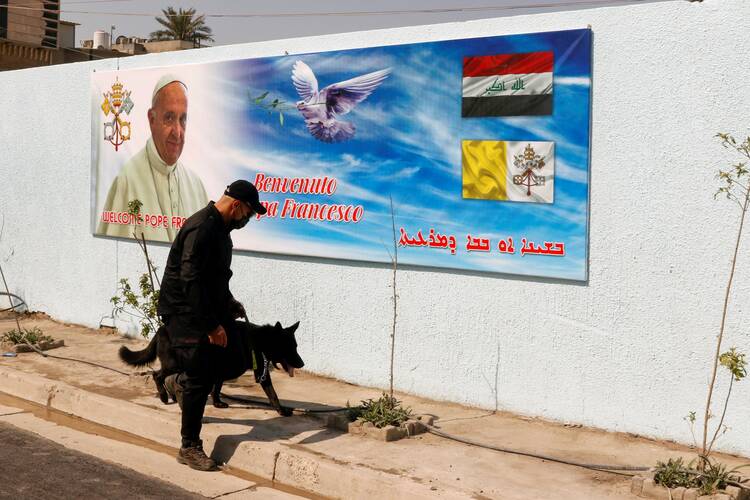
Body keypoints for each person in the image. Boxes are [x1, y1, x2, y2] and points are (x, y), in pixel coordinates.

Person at [158, 180, 267, 471]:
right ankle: (189, 446)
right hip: (184, 311)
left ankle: (175, 382)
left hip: (204, 307)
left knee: (233, 359)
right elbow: (190, 279)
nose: (247, 219)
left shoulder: (220, 230)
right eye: (248, 213)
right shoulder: (202, 228)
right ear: (236, 206)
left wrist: (229, 303)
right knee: (200, 373)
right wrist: (209, 325)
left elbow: (215, 277)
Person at [98, 74, 208, 242]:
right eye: (169, 118)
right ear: (152, 119)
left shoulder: (196, 185)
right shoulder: (127, 180)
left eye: (183, 119)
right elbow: (114, 252)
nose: (177, 132)